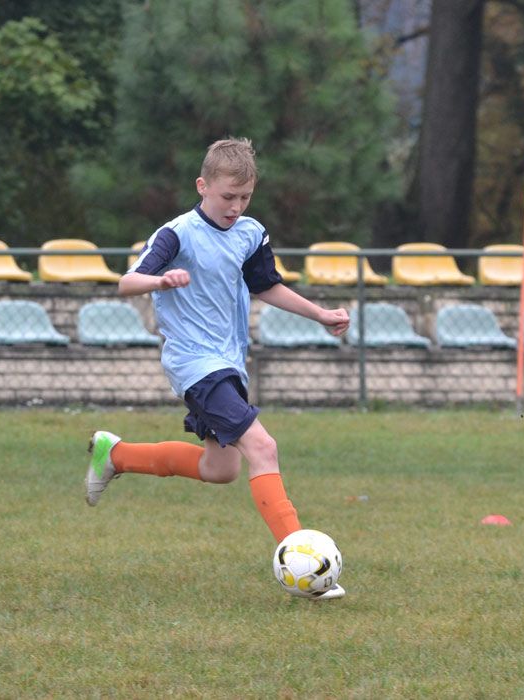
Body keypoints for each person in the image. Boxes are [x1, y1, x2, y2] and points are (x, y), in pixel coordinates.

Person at [82, 137, 350, 599]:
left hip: (228, 364)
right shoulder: (177, 234)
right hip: (194, 364)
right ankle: (302, 559)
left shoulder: (251, 232)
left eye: (245, 198)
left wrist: (320, 314)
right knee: (263, 446)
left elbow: (267, 286)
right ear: (203, 185)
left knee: (220, 468)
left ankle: (115, 454)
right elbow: (127, 282)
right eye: (228, 197)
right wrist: (160, 278)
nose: (236, 206)